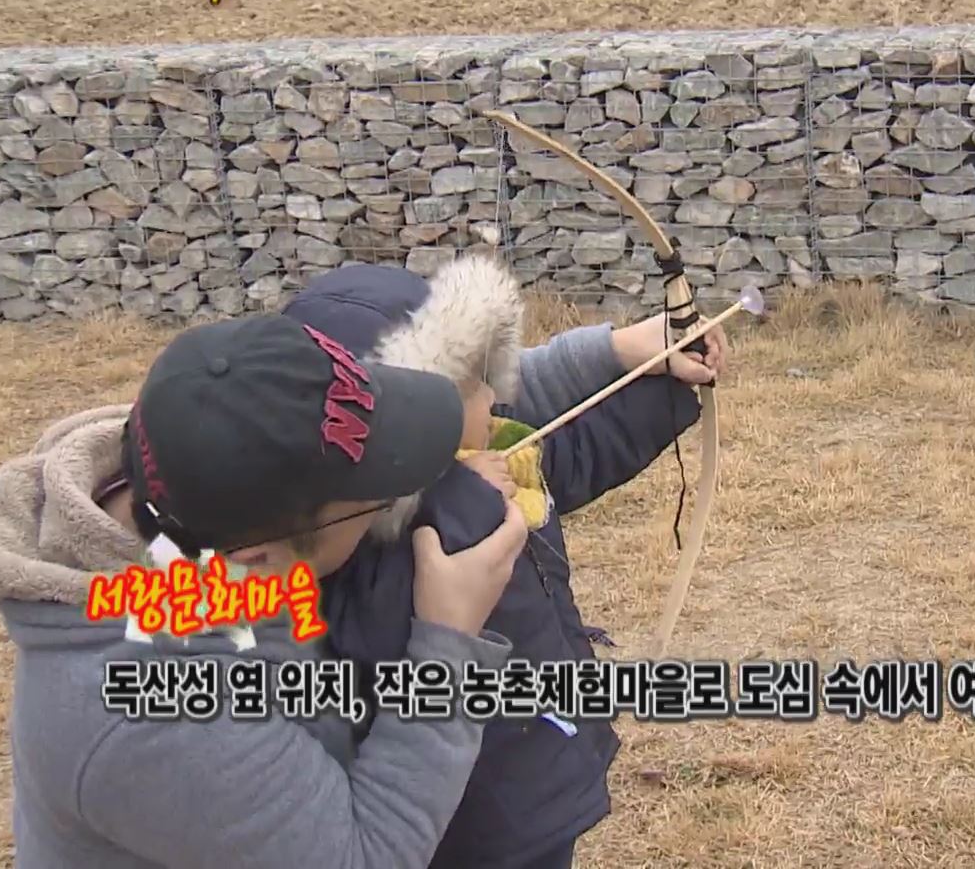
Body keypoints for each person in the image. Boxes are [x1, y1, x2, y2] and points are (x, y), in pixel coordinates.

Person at [0, 293, 692, 868]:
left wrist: (613, 351)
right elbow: (361, 854)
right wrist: (448, 644)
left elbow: (439, 409)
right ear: (258, 567)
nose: (424, 484)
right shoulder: (158, 718)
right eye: (385, 499)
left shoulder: (208, 447)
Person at [281, 255, 729, 869]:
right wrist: (463, 499)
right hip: (475, 815)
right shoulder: (414, 537)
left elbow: (568, 455)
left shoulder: (484, 468)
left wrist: (663, 386)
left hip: (539, 761)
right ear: (400, 423)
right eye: (473, 382)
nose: (495, 393)